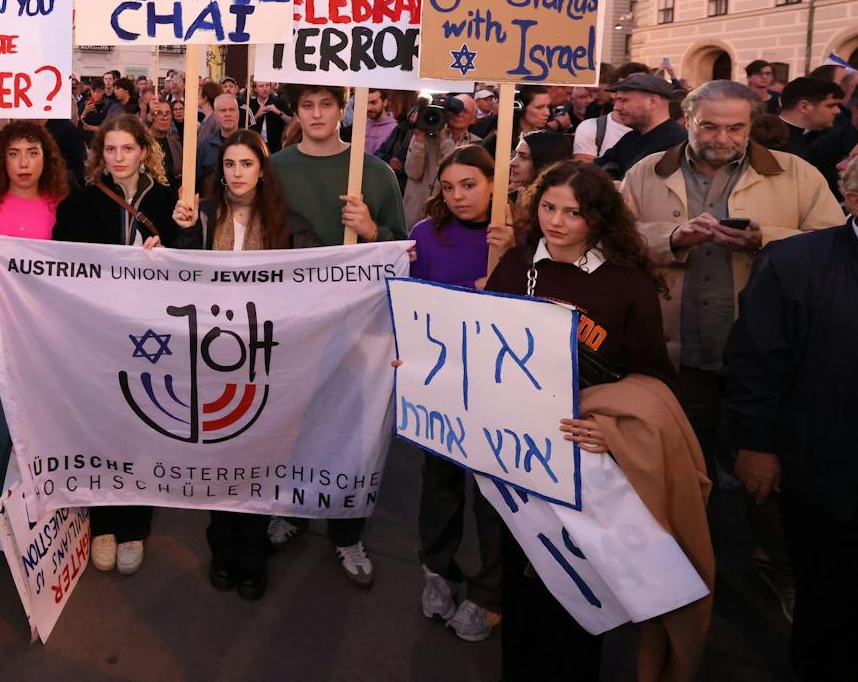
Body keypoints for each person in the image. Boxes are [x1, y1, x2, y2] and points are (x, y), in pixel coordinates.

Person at [619, 79, 844, 618]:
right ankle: (677, 578)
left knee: (768, 474)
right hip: (678, 353)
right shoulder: (648, 172)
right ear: (688, 119)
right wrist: (672, 239)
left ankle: (779, 570)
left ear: (752, 124)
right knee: (678, 471)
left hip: (764, 361)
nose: (723, 137)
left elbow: (835, 247)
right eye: (710, 125)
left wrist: (764, 238)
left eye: (736, 127)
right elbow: (617, 239)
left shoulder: (795, 173)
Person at [724, 141, 858, 679]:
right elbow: (756, 364)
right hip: (831, 475)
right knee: (833, 612)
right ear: (857, 202)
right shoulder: (796, 264)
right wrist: (757, 445)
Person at [486, 161, 678, 679]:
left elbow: (651, 381)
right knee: (522, 576)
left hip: (584, 458)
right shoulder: (517, 263)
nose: (558, 221)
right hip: (515, 451)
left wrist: (613, 430)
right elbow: (476, 344)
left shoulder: (627, 283)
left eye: (575, 212)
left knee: (576, 586)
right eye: (549, 207)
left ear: (599, 218)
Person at [268, 84, 407, 587]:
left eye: (327, 104)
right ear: (296, 111)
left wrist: (372, 230)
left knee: (350, 428)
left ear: (343, 106)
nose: (317, 114)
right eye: (307, 105)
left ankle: (347, 531)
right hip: (293, 325)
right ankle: (292, 511)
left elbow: (403, 251)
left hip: (357, 332)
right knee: (292, 420)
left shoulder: (374, 173)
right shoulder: (275, 168)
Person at [171, 130, 315, 600]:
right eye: (229, 164)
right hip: (209, 355)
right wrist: (185, 231)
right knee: (218, 455)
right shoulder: (204, 213)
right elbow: (180, 273)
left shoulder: (288, 224)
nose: (236, 173)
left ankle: (252, 554)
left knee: (257, 459)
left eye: (246, 164)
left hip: (263, 358)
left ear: (261, 168)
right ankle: (222, 549)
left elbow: (319, 277)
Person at [54, 114, 181, 575]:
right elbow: (60, 260)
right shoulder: (80, 202)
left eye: (128, 149)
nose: (119, 158)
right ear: (100, 155)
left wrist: (173, 243)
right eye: (111, 150)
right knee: (100, 424)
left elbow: (191, 264)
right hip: (98, 332)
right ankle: (102, 521)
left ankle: (133, 526)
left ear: (144, 151)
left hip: (151, 334)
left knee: (143, 426)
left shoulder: (168, 201)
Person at [406, 145, 508, 642]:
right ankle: (438, 572)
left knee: (494, 494)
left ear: (494, 182)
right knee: (440, 483)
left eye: (469, 185)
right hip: (441, 380)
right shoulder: (426, 235)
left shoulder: (518, 238)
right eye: (448, 187)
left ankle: (490, 594)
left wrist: (508, 260)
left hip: (502, 384)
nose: (458, 196)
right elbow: (413, 302)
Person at [0, 122, 70, 550]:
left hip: (42, 339)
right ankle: (0, 515)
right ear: (0, 159)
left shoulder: (62, 206)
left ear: (48, 158)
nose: (24, 163)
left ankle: (41, 513)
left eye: (33, 152)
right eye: (14, 153)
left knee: (41, 428)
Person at [595, 73, 687, 179]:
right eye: (616, 101)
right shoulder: (630, 138)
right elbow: (601, 165)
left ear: (652, 102)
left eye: (624, 100)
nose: (617, 107)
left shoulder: (678, 142)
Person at [403, 94, 477, 227]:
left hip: (449, 217)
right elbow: (413, 173)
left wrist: (444, 140)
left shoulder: (477, 144)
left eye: (465, 111)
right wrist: (419, 136)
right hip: (416, 213)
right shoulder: (424, 136)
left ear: (474, 119)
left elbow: (460, 171)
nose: (458, 114)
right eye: (453, 110)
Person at [775, 75, 844, 159]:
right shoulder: (771, 142)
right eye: (831, 106)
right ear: (804, 107)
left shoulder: (828, 139)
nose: (837, 111)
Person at [509, 130, 573, 199]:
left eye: (524, 157)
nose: (512, 163)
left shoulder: (569, 201)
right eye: (515, 154)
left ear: (544, 162)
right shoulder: (504, 202)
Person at [196, 92, 241, 183]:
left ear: (238, 113)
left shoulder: (250, 143)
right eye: (223, 111)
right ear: (215, 115)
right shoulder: (205, 146)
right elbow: (198, 179)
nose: (227, 114)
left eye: (231, 110)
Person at [148, 96, 183, 187]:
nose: (164, 117)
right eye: (159, 113)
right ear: (152, 116)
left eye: (167, 113)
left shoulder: (175, 142)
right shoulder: (144, 143)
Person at [361, 89, 396, 154]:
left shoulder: (394, 128)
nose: (368, 108)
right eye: (365, 103)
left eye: (373, 102)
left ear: (385, 102)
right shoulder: (360, 125)